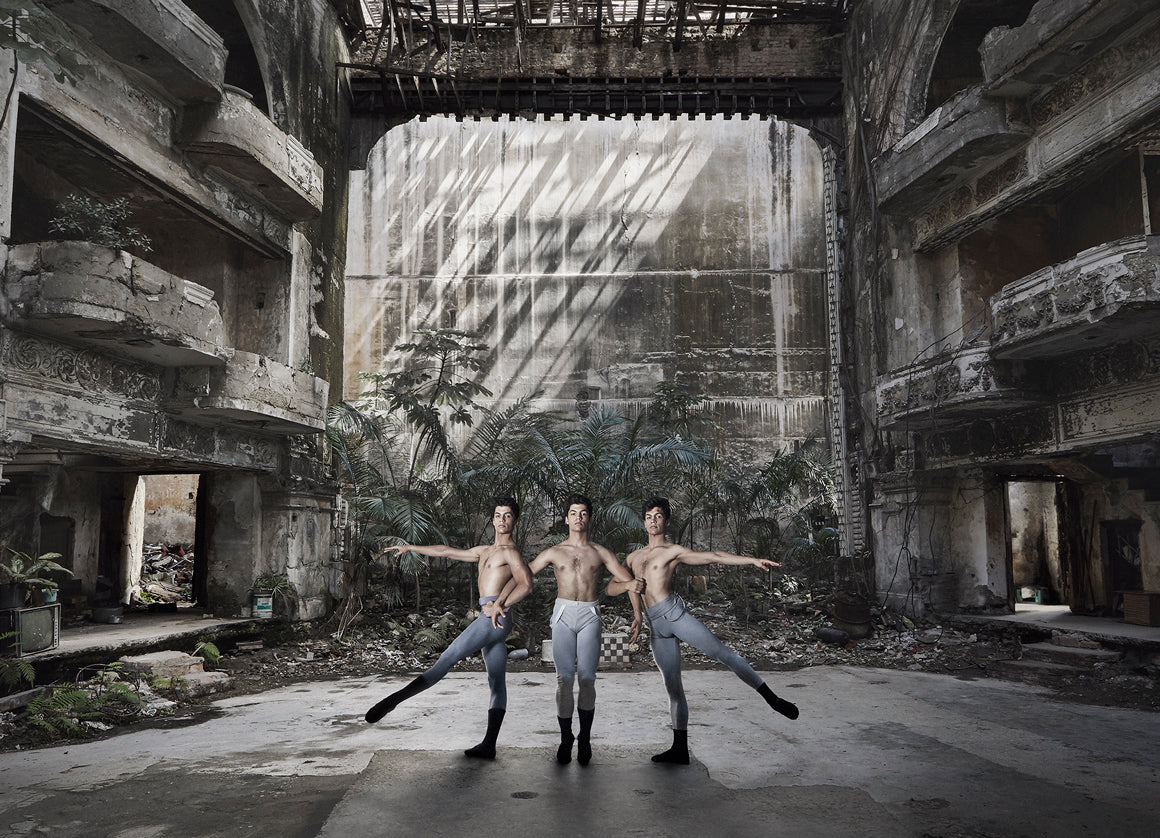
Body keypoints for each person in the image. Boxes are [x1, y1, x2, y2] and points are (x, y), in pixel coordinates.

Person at [610, 496, 799, 765]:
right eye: (649, 516)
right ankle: (679, 750)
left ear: (666, 521)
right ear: (644, 521)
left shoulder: (672, 551)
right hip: (655, 627)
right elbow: (615, 587)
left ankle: (773, 699)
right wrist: (637, 614)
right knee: (673, 687)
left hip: (674, 615)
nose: (653, 521)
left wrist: (752, 560)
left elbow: (715, 556)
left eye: (658, 516)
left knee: (723, 654)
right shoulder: (633, 557)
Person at [364, 496, 533, 760]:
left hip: (493, 618)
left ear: (515, 520)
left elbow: (525, 584)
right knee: (496, 682)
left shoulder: (511, 553)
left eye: (507, 516)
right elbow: (445, 550)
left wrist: (501, 604)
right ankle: (489, 745)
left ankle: (392, 701)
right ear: (493, 519)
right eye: (498, 515)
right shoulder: (484, 550)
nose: (502, 520)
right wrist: (412, 548)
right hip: (492, 618)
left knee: (447, 658)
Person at [510, 493, 643, 766]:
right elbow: (522, 576)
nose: (578, 517)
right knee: (564, 679)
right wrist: (499, 603)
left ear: (589, 518)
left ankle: (584, 738)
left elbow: (629, 582)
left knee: (587, 678)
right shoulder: (554, 552)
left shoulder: (600, 552)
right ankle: (565, 737)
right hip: (563, 614)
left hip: (590, 614)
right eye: (573, 513)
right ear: (567, 518)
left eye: (583, 513)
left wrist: (638, 615)